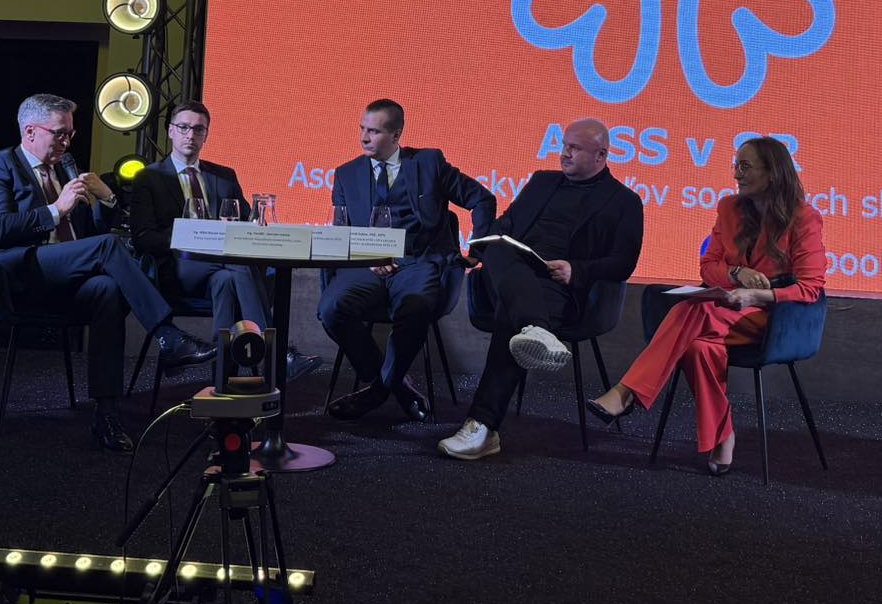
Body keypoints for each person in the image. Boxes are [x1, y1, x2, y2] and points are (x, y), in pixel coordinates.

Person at [585, 136, 825, 474]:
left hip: (772, 319)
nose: (737, 173)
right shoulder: (729, 208)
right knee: (699, 347)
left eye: (746, 166)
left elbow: (811, 289)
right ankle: (723, 435)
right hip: (723, 310)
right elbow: (708, 267)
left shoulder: (803, 218)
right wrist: (736, 273)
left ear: (772, 173)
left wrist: (757, 296)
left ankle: (626, 392)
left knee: (692, 309)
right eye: (736, 165)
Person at [0, 93, 181, 453]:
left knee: (106, 290)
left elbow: (89, 234)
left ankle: (106, 415)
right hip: (16, 276)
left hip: (65, 278)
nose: (67, 143)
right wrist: (56, 209)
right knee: (107, 248)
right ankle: (167, 335)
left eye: (70, 134)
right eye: (59, 134)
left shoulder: (63, 170)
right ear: (30, 131)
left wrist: (107, 199)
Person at [438, 118, 643, 461]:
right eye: (564, 145)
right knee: (499, 245)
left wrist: (577, 270)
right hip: (507, 275)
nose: (564, 153)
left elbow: (623, 263)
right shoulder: (541, 181)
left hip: (558, 289)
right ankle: (537, 329)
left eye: (574, 148)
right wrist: (479, 249)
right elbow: (506, 224)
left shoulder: (624, 201)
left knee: (512, 316)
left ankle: (482, 427)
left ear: (601, 155)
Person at [320, 99, 497, 423]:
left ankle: (377, 392)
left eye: (374, 131)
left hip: (417, 262)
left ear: (396, 135)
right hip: (367, 264)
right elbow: (341, 233)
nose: (364, 138)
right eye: (362, 129)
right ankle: (397, 387)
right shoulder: (346, 174)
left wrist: (477, 249)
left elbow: (483, 199)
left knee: (415, 307)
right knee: (331, 309)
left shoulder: (428, 163)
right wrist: (367, 257)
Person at [124, 101, 318, 383]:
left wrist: (241, 227)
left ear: (206, 135)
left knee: (226, 280)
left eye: (198, 129)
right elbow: (142, 237)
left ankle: (222, 382)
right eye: (183, 127)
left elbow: (246, 224)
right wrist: (191, 237)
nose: (190, 135)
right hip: (178, 267)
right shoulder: (149, 177)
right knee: (238, 264)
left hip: (219, 270)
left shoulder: (224, 176)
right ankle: (277, 354)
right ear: (170, 131)